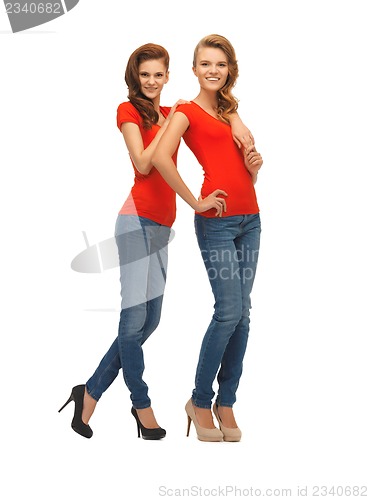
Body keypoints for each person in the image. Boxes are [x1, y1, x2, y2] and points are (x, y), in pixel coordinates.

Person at [59, 42, 254, 440]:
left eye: (158, 74)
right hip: (135, 223)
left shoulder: (173, 113)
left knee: (150, 322)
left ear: (168, 76)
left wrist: (233, 121)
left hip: (162, 227)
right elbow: (145, 163)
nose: (151, 81)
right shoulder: (128, 111)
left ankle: (89, 392)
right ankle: (141, 405)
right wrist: (171, 127)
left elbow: (212, 123)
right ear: (136, 77)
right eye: (144, 74)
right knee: (132, 323)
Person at [152, 34, 263, 442]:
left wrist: (253, 166)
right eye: (205, 64)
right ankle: (200, 400)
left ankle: (226, 401)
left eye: (220, 64)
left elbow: (241, 172)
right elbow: (162, 158)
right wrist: (196, 203)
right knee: (228, 311)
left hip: (250, 218)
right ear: (195, 69)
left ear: (228, 69)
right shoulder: (186, 111)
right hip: (216, 222)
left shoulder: (229, 111)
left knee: (244, 316)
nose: (213, 70)